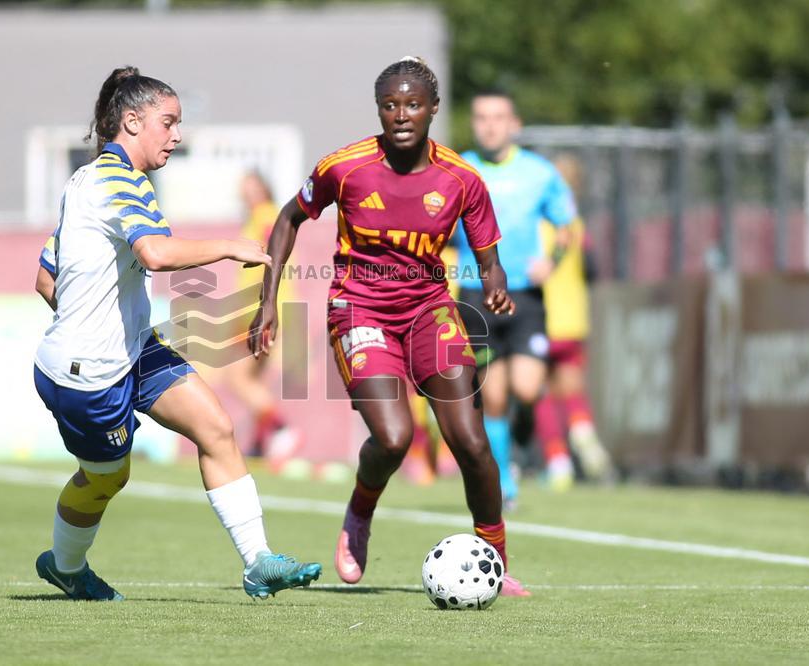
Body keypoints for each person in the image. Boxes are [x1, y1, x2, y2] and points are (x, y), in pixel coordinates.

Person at [32, 66, 320, 601]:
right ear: (133, 121)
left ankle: (259, 562)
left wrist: (101, 318)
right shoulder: (116, 180)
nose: (177, 135)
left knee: (216, 427)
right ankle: (66, 566)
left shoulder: (93, 180)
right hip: (87, 374)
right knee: (106, 479)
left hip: (134, 348)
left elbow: (45, 277)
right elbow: (157, 254)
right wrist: (229, 247)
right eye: (169, 123)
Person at [250, 57, 529, 596]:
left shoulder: (462, 178)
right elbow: (287, 218)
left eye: (413, 104)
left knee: (470, 442)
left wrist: (495, 282)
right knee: (395, 436)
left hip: (429, 309)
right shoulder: (346, 167)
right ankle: (360, 509)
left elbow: (487, 254)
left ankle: (494, 559)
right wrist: (267, 302)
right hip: (360, 310)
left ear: (434, 109)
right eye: (390, 105)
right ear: (379, 109)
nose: (401, 114)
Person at [451, 89, 577, 507]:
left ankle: (523, 442)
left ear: (514, 124)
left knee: (526, 388)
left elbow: (566, 227)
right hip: (476, 292)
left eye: (498, 117)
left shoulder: (540, 173)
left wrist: (553, 261)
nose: (490, 125)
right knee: (494, 396)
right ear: (474, 124)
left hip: (525, 294)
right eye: (482, 117)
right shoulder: (457, 169)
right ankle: (504, 481)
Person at [535, 153, 612, 489]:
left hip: (540, 318)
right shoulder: (576, 225)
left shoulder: (535, 224)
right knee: (572, 387)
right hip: (574, 318)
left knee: (542, 393)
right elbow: (592, 270)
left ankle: (558, 462)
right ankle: (583, 433)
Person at [221, 171, 301, 467]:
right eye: (245, 188)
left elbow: (275, 250)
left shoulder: (267, 215)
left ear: (265, 188)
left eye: (252, 187)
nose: (247, 193)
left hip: (260, 310)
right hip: (254, 310)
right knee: (253, 378)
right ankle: (258, 443)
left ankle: (281, 429)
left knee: (237, 377)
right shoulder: (255, 218)